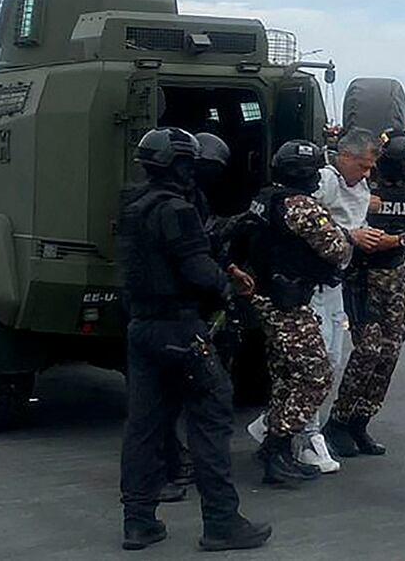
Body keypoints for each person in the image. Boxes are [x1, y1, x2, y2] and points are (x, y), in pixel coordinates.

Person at [118, 127, 270, 552]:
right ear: (180, 165)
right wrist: (225, 285)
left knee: (144, 427)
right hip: (182, 329)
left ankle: (138, 521)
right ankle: (221, 521)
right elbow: (198, 271)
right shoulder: (178, 210)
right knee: (211, 420)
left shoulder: (134, 207)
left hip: (142, 329)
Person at [235, 140, 354, 485]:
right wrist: (348, 236)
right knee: (316, 374)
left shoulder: (265, 198)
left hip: (267, 296)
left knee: (286, 374)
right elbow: (337, 250)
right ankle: (277, 444)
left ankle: (278, 450)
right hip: (289, 302)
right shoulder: (302, 206)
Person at [324, 128, 405, 457]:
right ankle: (338, 421)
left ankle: (361, 421)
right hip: (360, 277)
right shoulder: (358, 179)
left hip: (393, 277)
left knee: (389, 352)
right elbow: (330, 214)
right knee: (368, 350)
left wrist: (396, 240)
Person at [290, 126, 379, 473]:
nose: (367, 174)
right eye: (363, 165)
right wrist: (350, 236)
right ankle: (305, 434)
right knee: (317, 360)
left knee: (333, 358)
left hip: (335, 282)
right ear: (344, 157)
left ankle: (283, 423)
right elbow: (302, 224)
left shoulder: (361, 187)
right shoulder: (324, 181)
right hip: (310, 283)